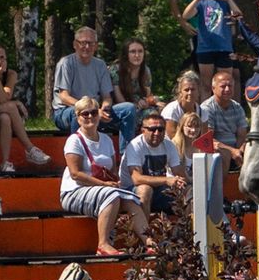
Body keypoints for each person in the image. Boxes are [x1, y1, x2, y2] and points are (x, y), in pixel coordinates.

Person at [59, 96, 149, 256]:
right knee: (113, 195)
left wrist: (114, 182)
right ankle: (103, 244)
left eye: (93, 112)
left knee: (130, 199)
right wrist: (104, 185)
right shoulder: (74, 140)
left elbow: (112, 171)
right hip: (74, 191)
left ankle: (149, 242)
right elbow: (75, 174)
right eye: (84, 114)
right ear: (78, 118)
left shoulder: (106, 140)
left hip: (101, 190)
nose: (89, 117)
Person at [53, 27, 136, 141]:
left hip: (96, 111)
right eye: (83, 43)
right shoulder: (66, 63)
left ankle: (126, 155)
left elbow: (107, 97)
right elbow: (64, 97)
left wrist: (105, 108)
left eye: (90, 43)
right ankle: (78, 152)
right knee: (78, 113)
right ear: (75, 44)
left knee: (128, 108)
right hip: (67, 111)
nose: (86, 47)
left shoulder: (100, 65)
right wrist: (92, 110)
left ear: (96, 46)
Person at [182, 0, 243, 98]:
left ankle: (227, 112)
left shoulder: (225, 3)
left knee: (226, 83)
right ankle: (205, 115)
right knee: (206, 85)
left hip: (224, 48)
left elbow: (238, 15)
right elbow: (186, 15)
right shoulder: (201, 3)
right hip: (205, 49)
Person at [121, 109, 187, 215]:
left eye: (160, 129)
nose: (157, 133)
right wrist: (166, 180)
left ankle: (185, 229)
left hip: (159, 190)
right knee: (145, 190)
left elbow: (178, 172)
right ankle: (144, 230)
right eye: (152, 129)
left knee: (188, 191)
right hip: (131, 192)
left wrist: (182, 182)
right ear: (143, 130)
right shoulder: (135, 146)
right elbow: (137, 179)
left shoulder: (169, 144)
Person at [0, 45, 52, 173]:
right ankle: (30, 149)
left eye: (2, 58)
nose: (0, 61)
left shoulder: (11, 74)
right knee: (11, 107)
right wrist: (15, 103)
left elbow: (4, 97)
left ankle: (5, 163)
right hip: (4, 107)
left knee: (5, 118)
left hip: (1, 111)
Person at [200, 70, 248, 167]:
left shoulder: (237, 107)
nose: (227, 89)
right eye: (223, 86)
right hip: (218, 151)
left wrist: (239, 151)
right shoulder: (207, 108)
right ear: (213, 88)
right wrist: (232, 151)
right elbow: (208, 139)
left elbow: (242, 135)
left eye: (230, 86)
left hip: (236, 150)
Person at [110, 38, 160, 112]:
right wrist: (135, 105)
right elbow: (119, 99)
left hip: (140, 107)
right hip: (122, 109)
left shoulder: (146, 70)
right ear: (126, 54)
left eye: (140, 51)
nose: (137, 55)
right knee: (151, 114)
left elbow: (147, 95)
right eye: (133, 52)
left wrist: (148, 102)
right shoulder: (116, 70)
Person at [163, 71, 202, 137]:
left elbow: (203, 138)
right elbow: (173, 139)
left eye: (193, 89)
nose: (190, 93)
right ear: (180, 92)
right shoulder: (171, 111)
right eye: (186, 90)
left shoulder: (202, 112)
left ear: (198, 91)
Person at [172, 111, 209, 175]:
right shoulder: (174, 145)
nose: (193, 130)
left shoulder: (202, 146)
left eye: (197, 126)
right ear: (182, 127)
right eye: (189, 126)